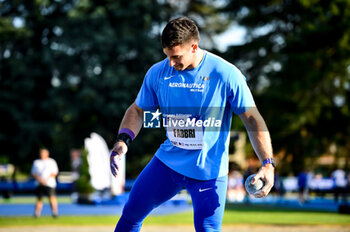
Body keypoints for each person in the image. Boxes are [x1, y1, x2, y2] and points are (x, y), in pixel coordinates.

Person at [110, 16, 275, 232]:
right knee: (130, 215)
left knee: (207, 229)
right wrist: (123, 140)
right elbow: (137, 110)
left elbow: (252, 118)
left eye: (176, 57)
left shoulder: (226, 74)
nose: (170, 63)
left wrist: (267, 164)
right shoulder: (158, 73)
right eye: (167, 56)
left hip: (209, 172)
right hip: (167, 164)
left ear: (194, 46)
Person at [31, 148, 59, 218]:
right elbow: (34, 173)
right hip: (39, 183)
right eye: (41, 153)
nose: (42, 154)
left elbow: (54, 172)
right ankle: (37, 213)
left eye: (44, 153)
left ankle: (55, 213)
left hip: (50, 183)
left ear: (47, 154)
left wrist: (46, 180)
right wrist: (40, 180)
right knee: (39, 199)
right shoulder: (36, 162)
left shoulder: (51, 161)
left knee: (52, 198)